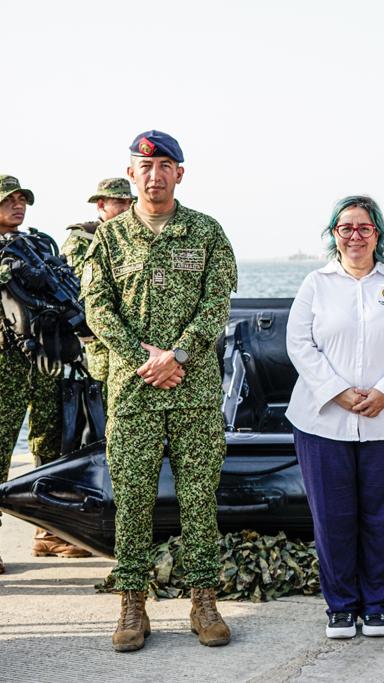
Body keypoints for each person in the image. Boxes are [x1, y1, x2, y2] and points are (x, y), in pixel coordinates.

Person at [82, 130, 237, 652]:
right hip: (134, 392)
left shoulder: (207, 232)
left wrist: (180, 355)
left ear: (179, 174)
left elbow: (217, 304)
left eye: (165, 165)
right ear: (131, 174)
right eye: (145, 167)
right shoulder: (108, 239)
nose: (155, 174)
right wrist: (143, 358)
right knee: (131, 501)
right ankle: (132, 604)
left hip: (193, 391)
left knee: (198, 499)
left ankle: (204, 601)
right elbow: (97, 307)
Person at [286, 196, 384, 639]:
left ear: (377, 235)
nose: (354, 236)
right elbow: (299, 343)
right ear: (334, 235)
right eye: (345, 228)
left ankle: (378, 604)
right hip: (323, 421)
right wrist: (338, 392)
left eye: (364, 228)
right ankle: (342, 606)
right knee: (332, 516)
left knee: (383, 516)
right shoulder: (316, 284)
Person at [0, 175, 90, 573]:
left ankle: (47, 532)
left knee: (49, 444)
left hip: (45, 355)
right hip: (2, 359)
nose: (17, 206)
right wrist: (6, 271)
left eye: (21, 199)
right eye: (7, 201)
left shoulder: (39, 244)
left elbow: (65, 282)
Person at [61, 178, 134, 389]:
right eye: (119, 203)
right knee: (103, 398)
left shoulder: (133, 237)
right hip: (100, 338)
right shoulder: (82, 239)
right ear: (101, 204)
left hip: (132, 335)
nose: (126, 208)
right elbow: (72, 288)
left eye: (129, 203)